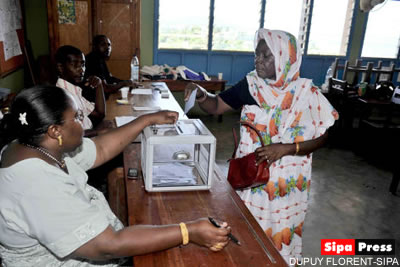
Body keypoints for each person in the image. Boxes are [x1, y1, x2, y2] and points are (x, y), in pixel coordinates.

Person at [0, 86, 231, 266]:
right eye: (77, 117)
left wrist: (146, 120)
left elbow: (100, 149)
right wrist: (188, 231)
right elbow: (107, 245)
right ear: (55, 131)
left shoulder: (33, 144)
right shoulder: (35, 185)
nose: (83, 122)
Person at [184, 29, 338, 264]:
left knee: (280, 234)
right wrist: (202, 94)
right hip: (251, 178)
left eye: (267, 56)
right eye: (257, 55)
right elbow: (216, 107)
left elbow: (324, 136)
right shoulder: (251, 86)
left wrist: (287, 148)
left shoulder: (308, 94)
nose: (258, 60)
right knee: (246, 228)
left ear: (286, 59)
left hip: (287, 186)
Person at [55, 45, 106, 131]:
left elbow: (99, 113)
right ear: (61, 68)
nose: (82, 70)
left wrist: (99, 85)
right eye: (74, 65)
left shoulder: (75, 91)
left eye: (83, 64)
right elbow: (70, 135)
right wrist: (98, 132)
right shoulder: (61, 96)